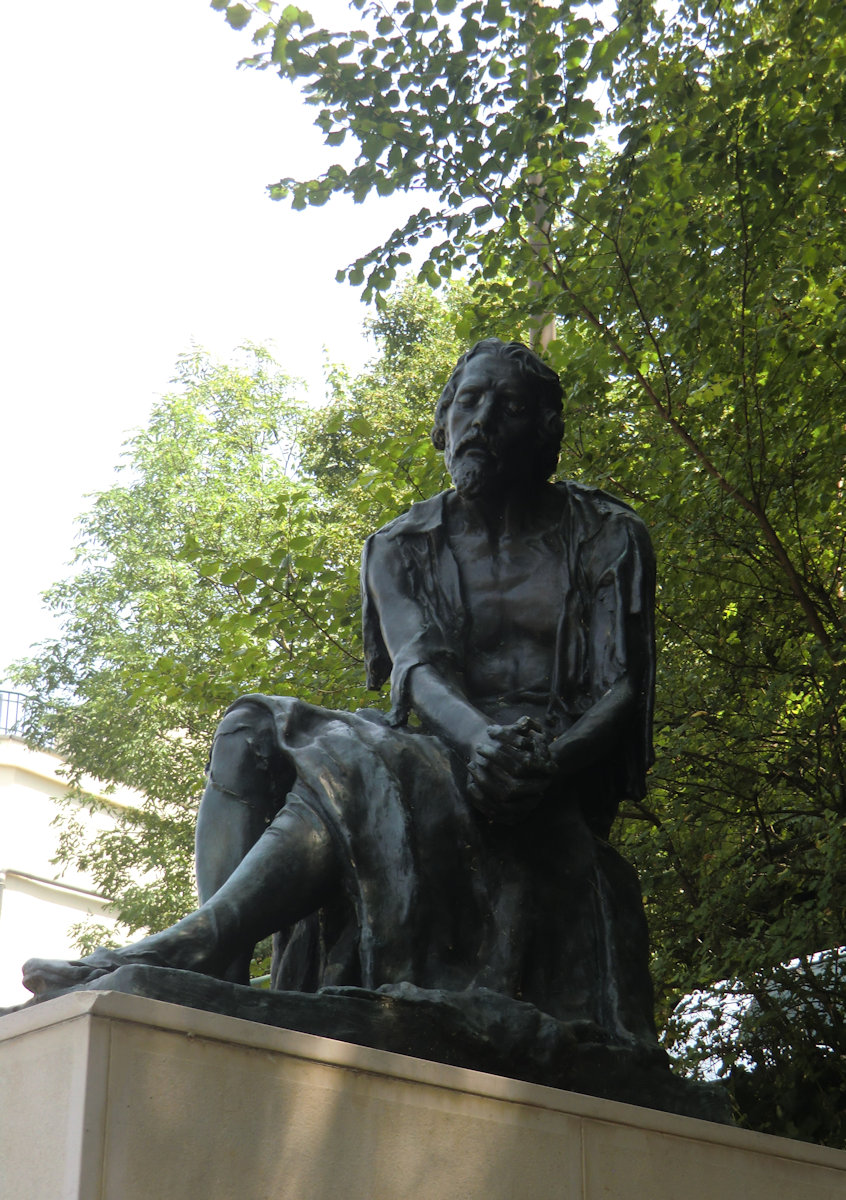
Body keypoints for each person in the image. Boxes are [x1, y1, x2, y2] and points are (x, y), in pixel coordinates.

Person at [23, 338, 658, 1046]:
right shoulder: (401, 543)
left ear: (544, 432)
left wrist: (546, 765)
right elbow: (416, 666)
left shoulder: (607, 534)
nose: (479, 420)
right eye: (468, 401)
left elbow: (621, 690)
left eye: (506, 406)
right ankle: (219, 967)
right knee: (250, 729)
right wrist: (479, 741)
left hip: (549, 779)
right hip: (447, 743)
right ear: (443, 421)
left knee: (356, 760)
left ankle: (183, 948)